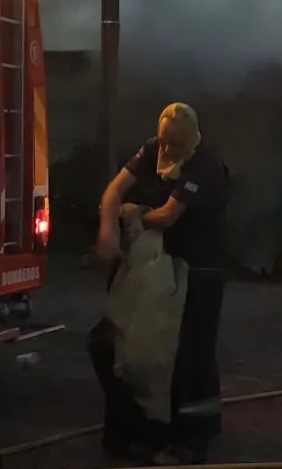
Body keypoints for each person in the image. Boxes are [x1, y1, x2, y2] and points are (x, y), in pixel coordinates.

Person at [94, 102, 230, 465]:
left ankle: (192, 441)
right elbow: (113, 192)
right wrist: (108, 228)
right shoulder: (153, 147)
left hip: (199, 268)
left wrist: (134, 217)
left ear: (190, 139)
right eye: (163, 143)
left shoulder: (203, 164)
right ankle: (135, 430)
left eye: (174, 145)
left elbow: (168, 215)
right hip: (157, 265)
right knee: (115, 342)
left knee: (190, 354)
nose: (166, 151)